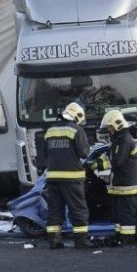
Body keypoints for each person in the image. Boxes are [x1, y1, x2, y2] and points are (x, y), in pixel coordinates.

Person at [43, 102, 91, 249]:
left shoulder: (50, 131)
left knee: (55, 210)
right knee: (78, 209)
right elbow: (84, 153)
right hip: (72, 178)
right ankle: (81, 241)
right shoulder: (77, 130)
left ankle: (54, 241)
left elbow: (45, 154)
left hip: (52, 179)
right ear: (76, 116)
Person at [101, 109, 137, 245]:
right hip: (119, 185)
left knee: (126, 215)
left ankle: (127, 239)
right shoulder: (117, 140)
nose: (109, 129)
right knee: (118, 214)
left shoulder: (125, 140)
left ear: (117, 124)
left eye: (110, 126)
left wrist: (103, 164)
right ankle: (119, 237)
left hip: (128, 186)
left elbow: (117, 162)